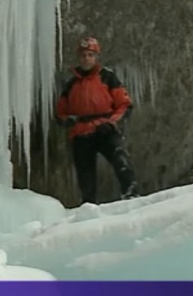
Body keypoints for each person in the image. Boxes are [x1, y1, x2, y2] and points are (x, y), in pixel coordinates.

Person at [55, 36, 139, 204]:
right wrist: (68, 121)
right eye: (83, 55)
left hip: (105, 129)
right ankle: (89, 208)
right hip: (81, 133)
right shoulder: (71, 84)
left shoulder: (107, 77)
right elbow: (60, 112)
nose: (86, 58)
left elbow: (124, 104)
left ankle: (131, 195)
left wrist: (112, 122)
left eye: (90, 55)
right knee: (85, 176)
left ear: (96, 57)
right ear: (79, 57)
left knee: (120, 159)